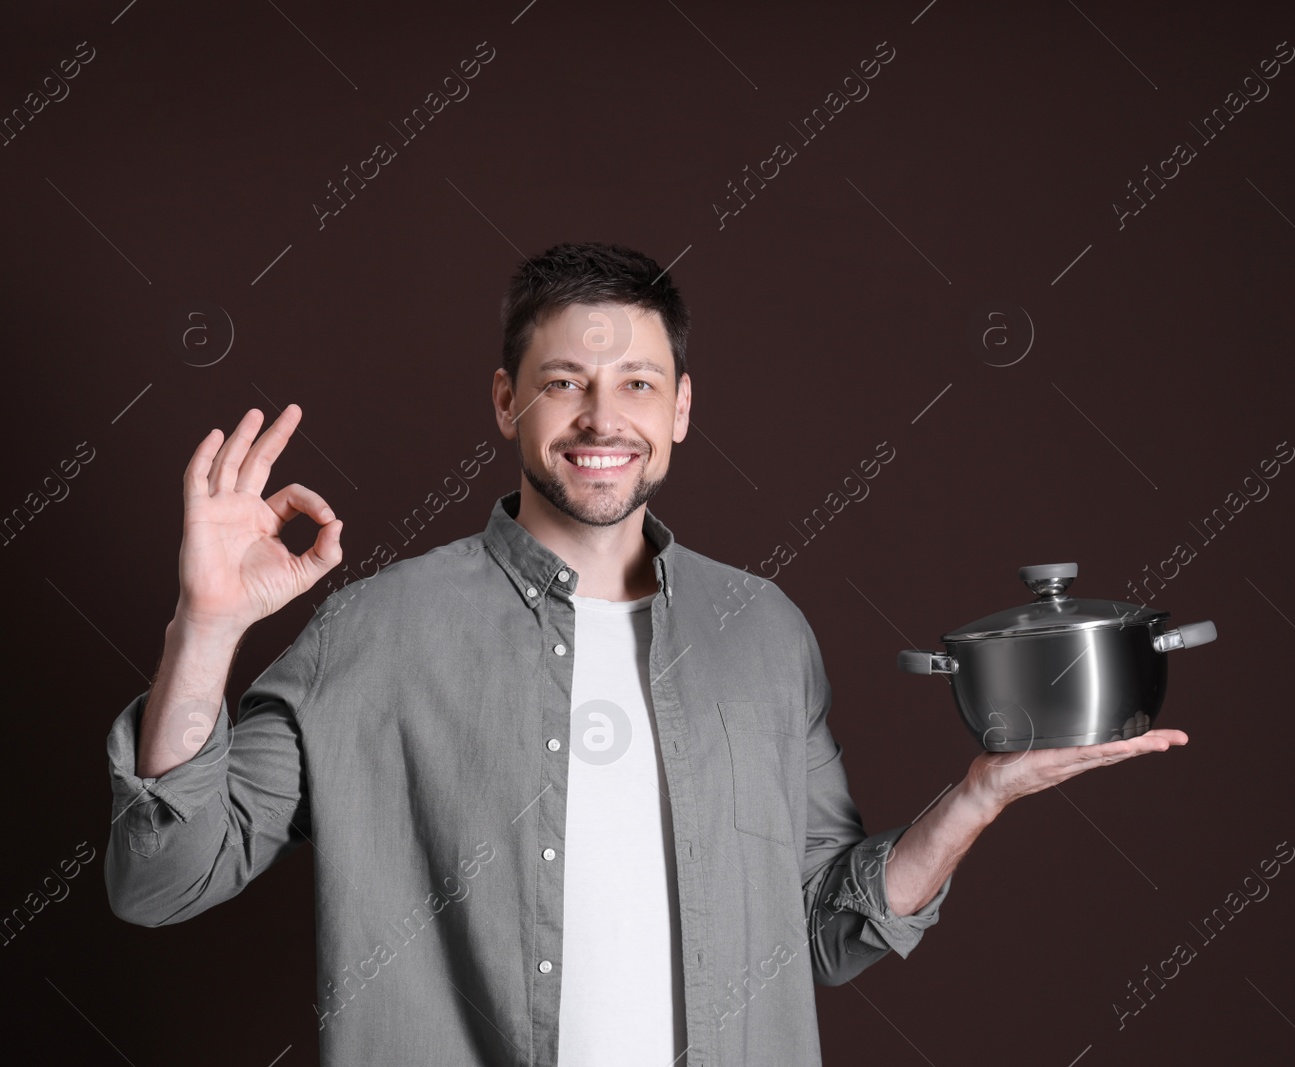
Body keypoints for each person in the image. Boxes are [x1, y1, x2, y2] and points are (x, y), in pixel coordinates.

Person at [104, 242, 1187, 1066]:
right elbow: (161, 878)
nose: (599, 415)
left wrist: (976, 795)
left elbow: (822, 932)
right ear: (505, 400)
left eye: (634, 383)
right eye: (565, 378)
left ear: (678, 410)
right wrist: (205, 625)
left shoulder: (762, 628)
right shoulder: (377, 629)